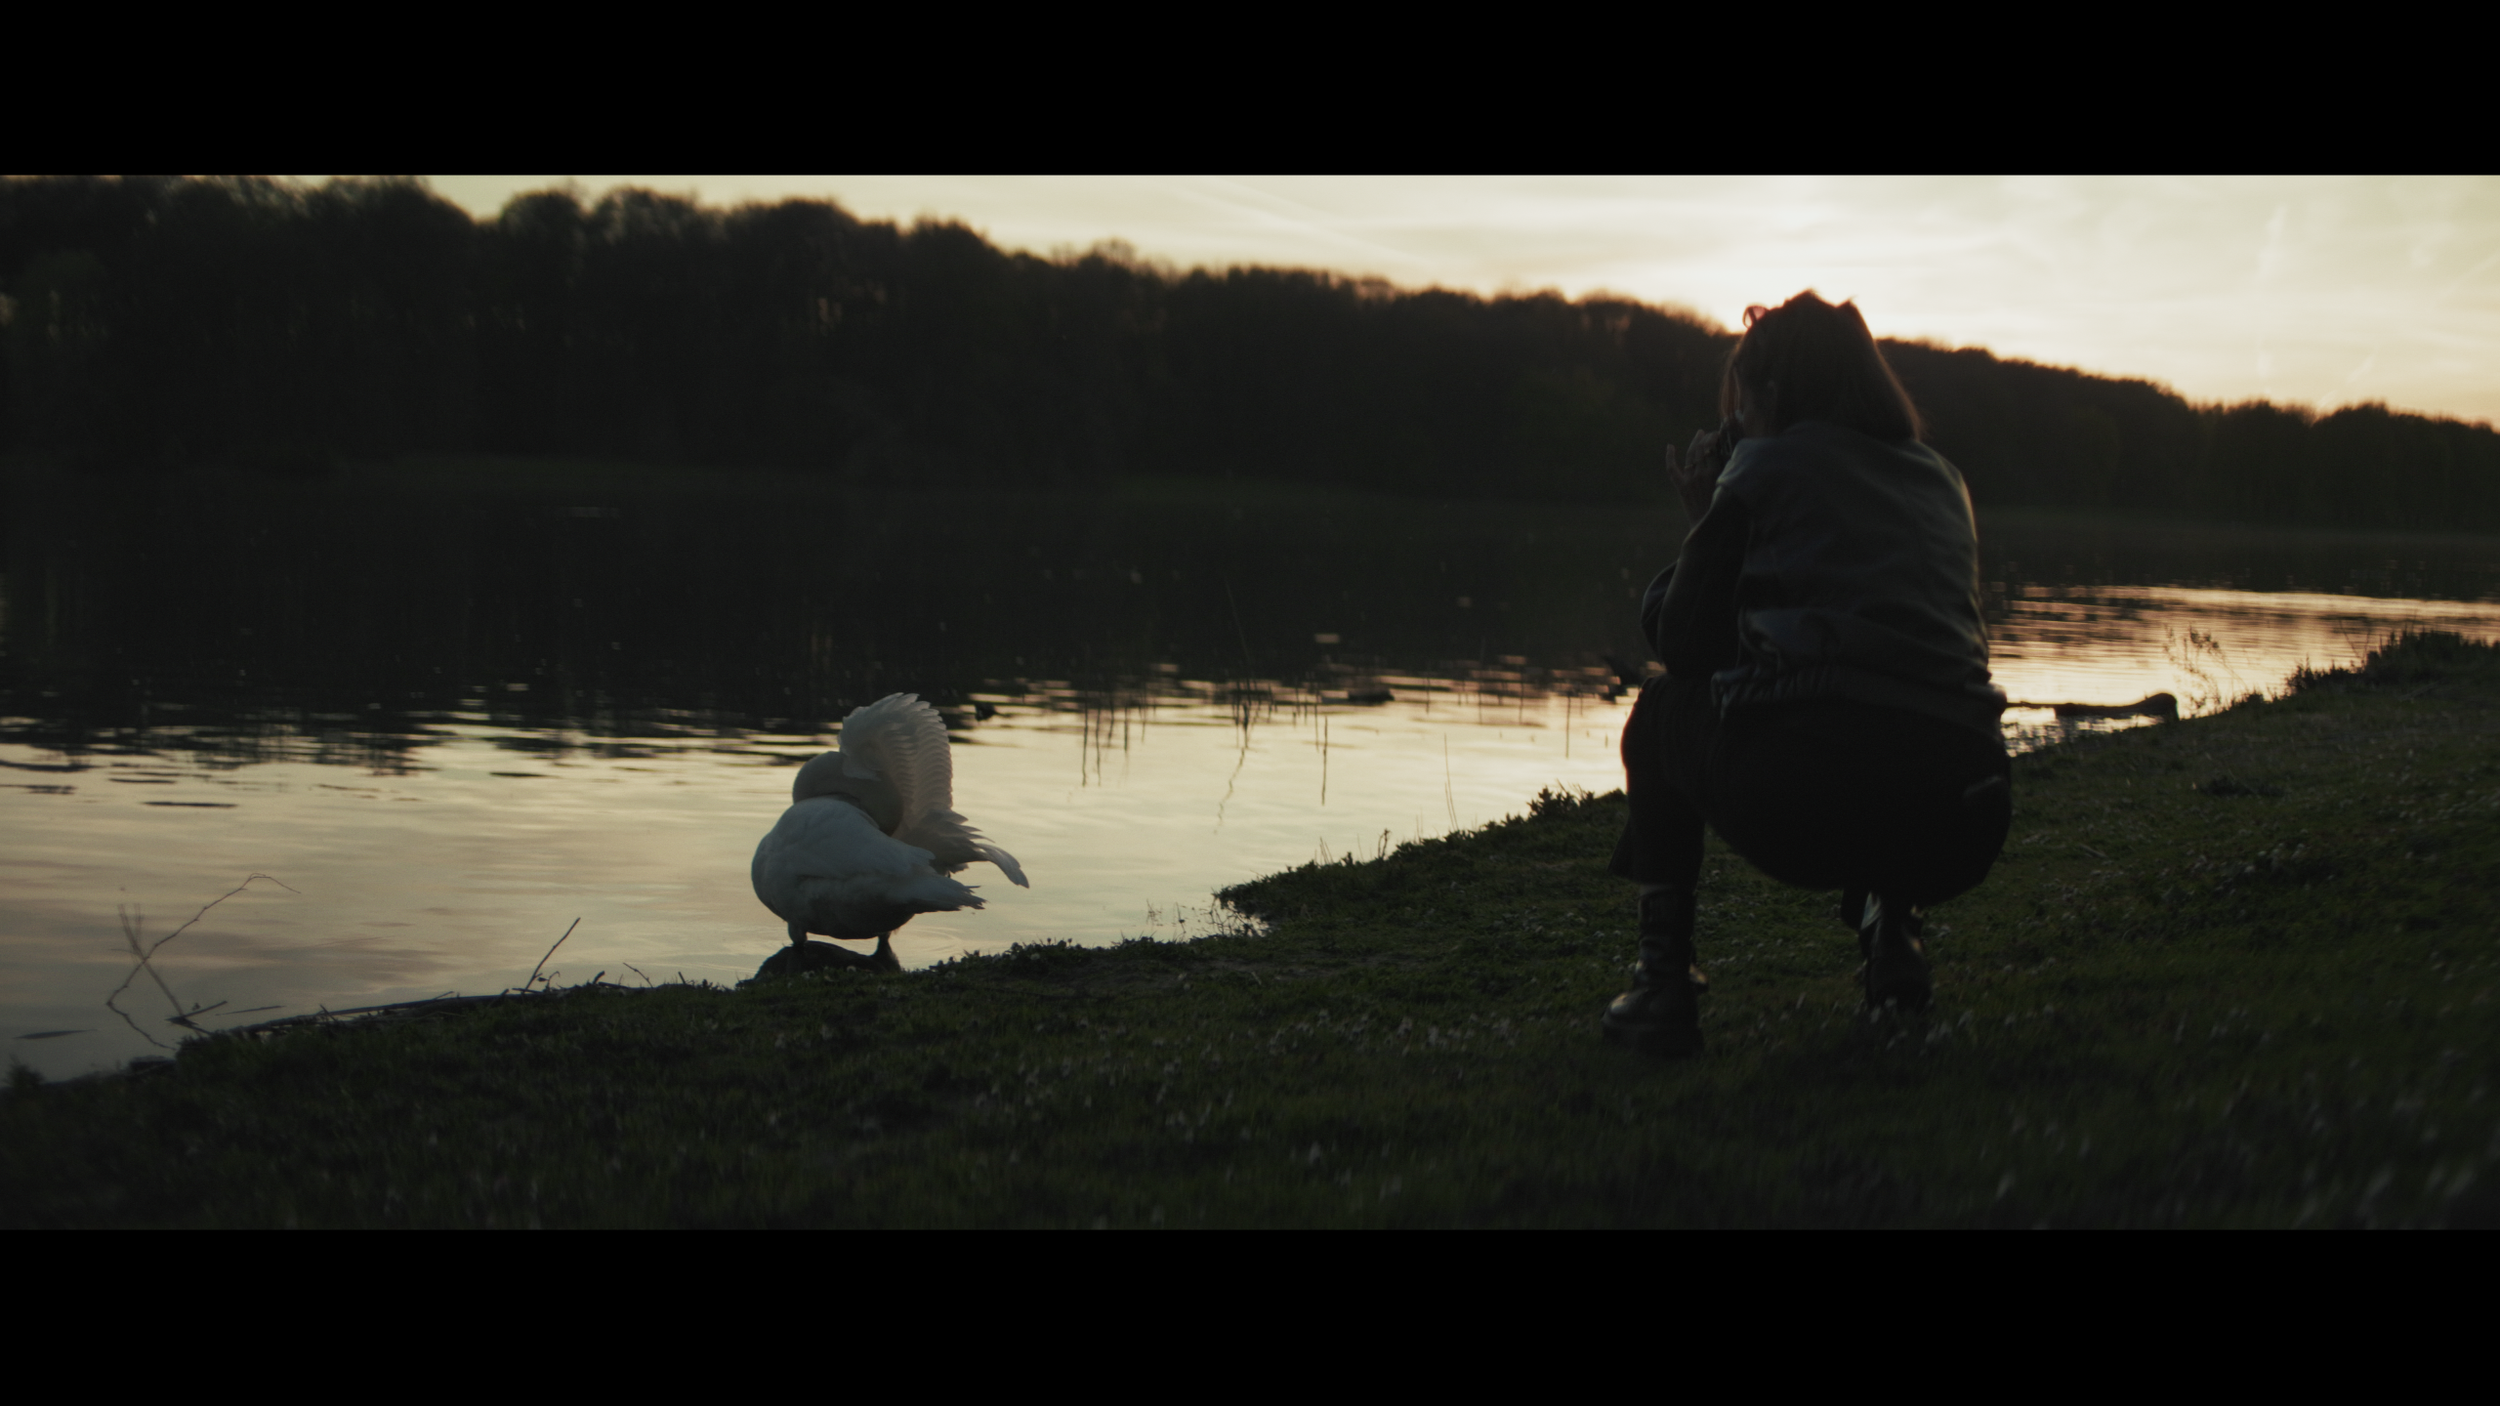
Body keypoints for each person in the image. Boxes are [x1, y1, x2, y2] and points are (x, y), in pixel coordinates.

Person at [1603, 291, 2013, 1057]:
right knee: (1887, 703)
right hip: (1965, 810)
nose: (1739, 422)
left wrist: (1708, 522)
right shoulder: (1941, 478)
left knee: (1663, 710)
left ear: (1770, 397)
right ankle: (1894, 936)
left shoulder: (1763, 467)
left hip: (1808, 801)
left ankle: (1663, 981)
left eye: (1742, 403)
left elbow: (1685, 643)